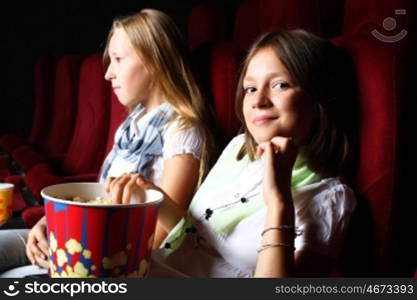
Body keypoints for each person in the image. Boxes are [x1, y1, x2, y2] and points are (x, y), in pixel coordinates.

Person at [109, 29, 357, 277]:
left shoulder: (328, 198)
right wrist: (155, 196)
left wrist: (278, 200)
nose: (258, 101)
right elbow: (195, 241)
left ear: (319, 99)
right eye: (250, 88)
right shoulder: (238, 149)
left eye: (280, 85)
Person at [0, 9, 214, 276]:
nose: (108, 74)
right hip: (83, 238)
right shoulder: (131, 124)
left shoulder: (183, 131)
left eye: (118, 59)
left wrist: (66, 243)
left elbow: (162, 239)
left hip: (112, 258)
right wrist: (50, 222)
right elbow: (98, 196)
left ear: (154, 61)